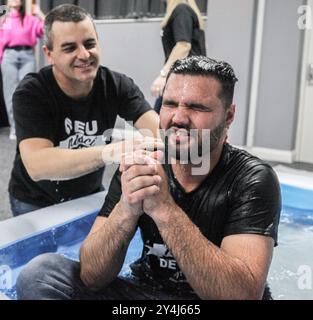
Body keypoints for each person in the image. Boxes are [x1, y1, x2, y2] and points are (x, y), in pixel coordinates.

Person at [16, 56, 281, 300]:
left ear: (229, 116)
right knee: (41, 274)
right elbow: (91, 276)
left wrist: (165, 209)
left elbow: (242, 296)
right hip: (144, 293)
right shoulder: (143, 162)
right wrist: (126, 211)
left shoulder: (252, 179)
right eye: (169, 104)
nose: (178, 118)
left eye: (196, 107)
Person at [8, 4, 160, 217]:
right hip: (34, 202)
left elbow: (159, 130)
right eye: (70, 48)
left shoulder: (116, 85)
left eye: (90, 44)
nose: (84, 54)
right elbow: (37, 165)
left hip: (88, 195)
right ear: (49, 54)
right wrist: (114, 151)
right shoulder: (32, 92)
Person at [151, 0, 206, 113]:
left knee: (159, 119)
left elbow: (183, 45)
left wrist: (163, 75)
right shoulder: (183, 11)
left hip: (184, 78)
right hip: (186, 78)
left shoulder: (181, 11)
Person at [0, 0, 45, 140]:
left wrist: (40, 14)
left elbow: (47, 30)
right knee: (10, 93)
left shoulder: (30, 19)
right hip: (9, 57)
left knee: (28, 91)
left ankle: (27, 127)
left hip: (27, 56)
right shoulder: (4, 19)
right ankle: (15, 128)